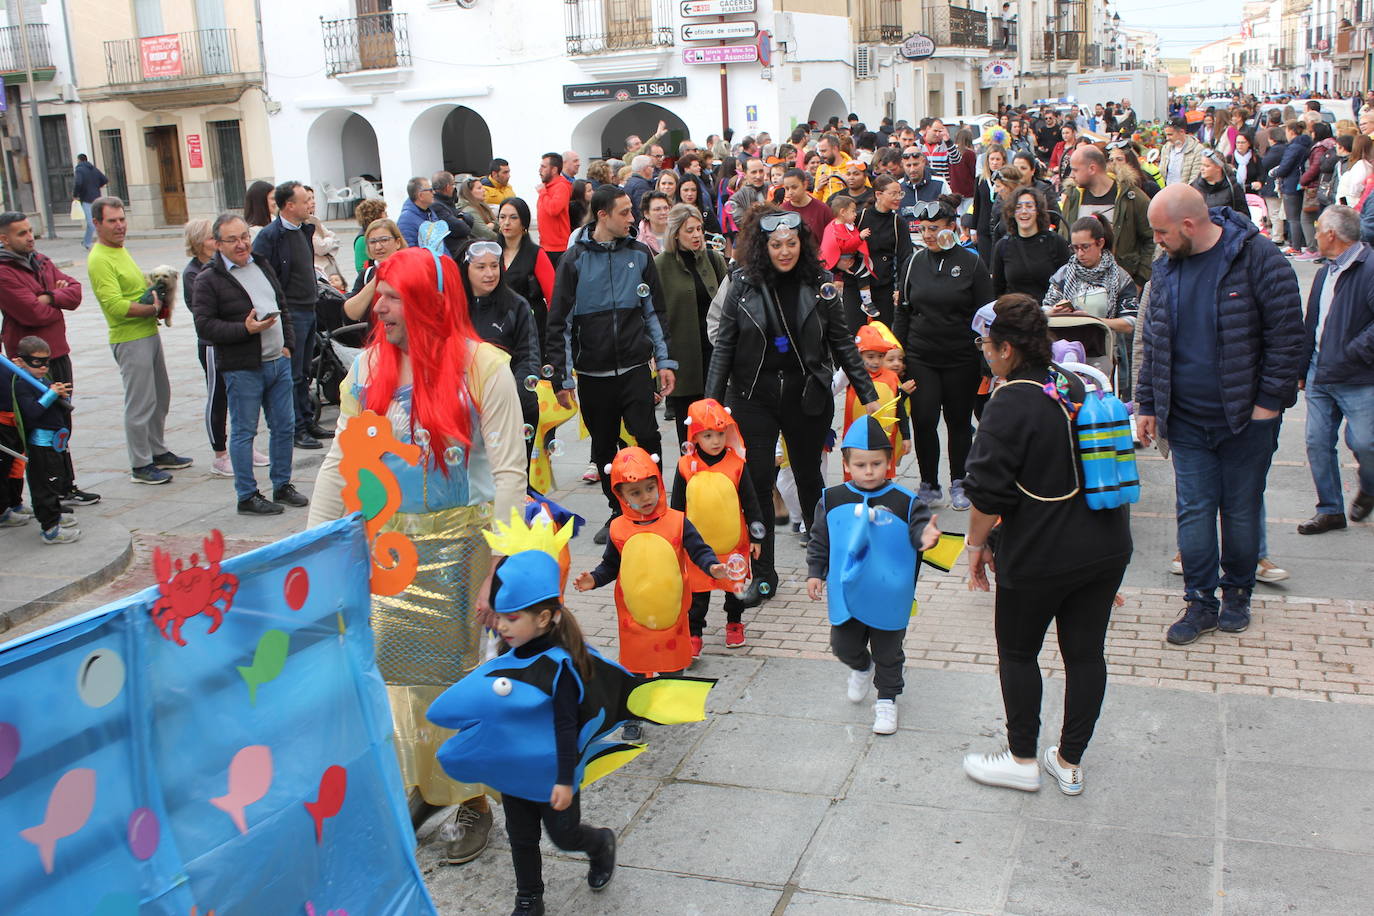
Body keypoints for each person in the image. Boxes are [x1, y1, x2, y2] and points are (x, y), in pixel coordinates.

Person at [308, 246, 526, 866]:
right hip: (394, 551)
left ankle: (474, 801)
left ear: (429, 300)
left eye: (394, 295)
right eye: (379, 292)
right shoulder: (370, 367)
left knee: (463, 681)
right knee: (403, 681)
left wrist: (500, 569)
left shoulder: (484, 367)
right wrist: (311, 547)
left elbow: (510, 473)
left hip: (466, 550)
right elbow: (340, 460)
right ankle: (427, 787)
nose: (379, 305)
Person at [960, 296, 1132, 795]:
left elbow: (987, 494)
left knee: (1017, 652)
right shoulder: (1074, 379)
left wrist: (976, 546)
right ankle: (1069, 760)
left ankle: (1021, 759)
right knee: (1085, 655)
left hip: (1041, 552)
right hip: (1105, 545)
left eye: (987, 346)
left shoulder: (1009, 399)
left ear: (1008, 349)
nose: (985, 354)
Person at [1137, 186, 1305, 645]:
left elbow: (1288, 338)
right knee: (1193, 511)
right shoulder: (1167, 266)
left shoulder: (1260, 258)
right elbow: (1155, 342)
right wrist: (1148, 403)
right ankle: (1200, 601)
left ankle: (1237, 595)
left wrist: (1267, 406)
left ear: (1189, 226)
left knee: (1240, 511)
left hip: (1246, 421)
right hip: (1187, 421)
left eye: (1162, 232)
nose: (1158, 241)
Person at [433, 539, 619, 916]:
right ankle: (529, 898)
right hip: (514, 770)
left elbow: (567, 728)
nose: (501, 626)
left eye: (512, 618)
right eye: (500, 616)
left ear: (545, 618)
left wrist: (566, 780)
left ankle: (600, 843)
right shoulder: (507, 655)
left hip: (553, 772)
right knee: (521, 837)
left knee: (565, 836)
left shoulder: (561, 667)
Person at [704, 206, 878, 600]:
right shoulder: (742, 283)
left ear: (803, 243)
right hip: (752, 395)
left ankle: (826, 562)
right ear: (763, 247)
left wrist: (867, 395)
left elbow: (842, 343)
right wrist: (710, 405)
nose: (785, 251)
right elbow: (724, 348)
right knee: (759, 482)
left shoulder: (820, 282)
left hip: (806, 394)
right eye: (776, 245)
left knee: (810, 480)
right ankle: (764, 573)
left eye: (792, 243)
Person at [545, 185, 675, 543]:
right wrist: (562, 379)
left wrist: (664, 361)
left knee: (647, 438)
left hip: (635, 369)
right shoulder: (574, 260)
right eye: (624, 212)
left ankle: (654, 508)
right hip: (592, 374)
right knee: (603, 447)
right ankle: (618, 512)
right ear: (602, 215)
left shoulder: (641, 253)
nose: (632, 218)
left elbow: (655, 313)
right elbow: (560, 322)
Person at [806, 416, 939, 735]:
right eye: (861, 464)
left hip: (889, 593)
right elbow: (820, 538)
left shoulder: (905, 502)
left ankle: (887, 701)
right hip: (847, 593)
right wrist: (815, 572)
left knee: (889, 652)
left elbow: (918, 530)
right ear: (846, 463)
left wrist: (925, 538)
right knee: (842, 645)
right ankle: (862, 667)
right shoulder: (832, 499)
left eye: (876, 464)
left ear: (889, 462)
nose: (869, 471)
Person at [574, 445, 726, 680]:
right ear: (621, 496)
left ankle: (671, 702)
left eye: (650, 488)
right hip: (633, 617)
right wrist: (594, 579)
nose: (646, 496)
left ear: (659, 484)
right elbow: (611, 566)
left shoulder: (677, 521)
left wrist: (711, 566)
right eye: (635, 493)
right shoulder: (618, 528)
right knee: (636, 668)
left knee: (673, 669)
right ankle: (640, 704)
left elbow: (699, 550)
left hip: (671, 610)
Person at [191, 214, 307, 516]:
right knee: (244, 432)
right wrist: (245, 331)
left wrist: (288, 345)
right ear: (217, 244)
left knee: (284, 426)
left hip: (277, 361)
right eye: (233, 239)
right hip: (243, 367)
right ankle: (247, 495)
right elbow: (205, 328)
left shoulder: (261, 264)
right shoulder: (208, 279)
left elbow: (282, 306)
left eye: (245, 236)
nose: (242, 244)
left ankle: (282, 484)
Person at [895, 198, 992, 510]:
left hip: (961, 356)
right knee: (923, 419)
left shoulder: (972, 263)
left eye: (934, 229)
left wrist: (984, 359)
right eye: (923, 229)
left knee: (958, 421)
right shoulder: (914, 263)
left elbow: (985, 313)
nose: (927, 235)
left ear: (952, 227)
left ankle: (959, 479)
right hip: (922, 355)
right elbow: (903, 312)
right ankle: (928, 483)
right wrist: (898, 354)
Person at [87, 196, 191, 484]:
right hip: (129, 337)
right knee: (140, 403)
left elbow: (133, 290)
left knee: (160, 395)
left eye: (122, 219)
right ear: (96, 224)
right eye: (112, 221)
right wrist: (152, 307)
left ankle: (156, 450)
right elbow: (115, 305)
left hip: (147, 332)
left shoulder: (120, 250)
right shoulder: (99, 258)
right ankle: (140, 464)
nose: (120, 226)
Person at [0, 211, 99, 506]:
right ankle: (48, 494)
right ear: (4, 239)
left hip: (58, 352)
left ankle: (66, 485)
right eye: (21, 233)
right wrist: (53, 297)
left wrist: (48, 297)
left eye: (30, 231)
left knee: (61, 421)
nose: (30, 237)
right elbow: (31, 313)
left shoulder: (41, 260)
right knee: (38, 428)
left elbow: (76, 292)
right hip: (28, 362)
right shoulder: (4, 271)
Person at [1297, 205, 1374, 534]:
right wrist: (1302, 367)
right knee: (1317, 442)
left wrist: (1352, 352)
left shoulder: (1369, 267)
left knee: (1366, 443)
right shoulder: (1324, 271)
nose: (1314, 235)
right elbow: (1312, 322)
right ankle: (1329, 509)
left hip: (1356, 375)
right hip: (1318, 372)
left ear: (1332, 234)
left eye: (1317, 230)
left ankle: (1369, 489)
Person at [671, 399, 764, 653]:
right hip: (696, 545)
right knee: (697, 593)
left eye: (721, 434)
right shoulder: (685, 467)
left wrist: (757, 536)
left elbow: (751, 501)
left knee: (735, 589)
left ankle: (734, 623)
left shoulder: (736, 465)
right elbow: (677, 506)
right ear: (694, 435)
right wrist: (673, 537)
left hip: (734, 541)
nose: (716, 441)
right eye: (708, 435)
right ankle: (694, 632)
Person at [252, 181, 331, 450]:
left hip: (309, 307)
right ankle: (296, 428)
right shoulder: (270, 236)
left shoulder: (302, 231)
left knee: (305, 370)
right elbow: (264, 276)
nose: (309, 204)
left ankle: (308, 421)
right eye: (304, 200)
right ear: (289, 206)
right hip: (291, 311)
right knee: (293, 372)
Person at [184, 217, 259, 479]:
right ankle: (220, 454)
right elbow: (205, 313)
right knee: (218, 397)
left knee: (242, 397)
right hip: (213, 346)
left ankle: (245, 448)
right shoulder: (195, 273)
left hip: (240, 339)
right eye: (210, 238)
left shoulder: (229, 267)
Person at [458, 239, 541, 460]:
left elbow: (529, 356)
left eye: (494, 266)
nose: (489, 274)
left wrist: (512, 395)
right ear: (466, 268)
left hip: (510, 405)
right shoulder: (453, 305)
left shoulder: (517, 305)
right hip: (464, 408)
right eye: (481, 267)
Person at [1043, 215, 1141, 399]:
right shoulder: (1063, 275)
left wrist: (1092, 321)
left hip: (1104, 354)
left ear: (1100, 243)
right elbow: (1043, 310)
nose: (1080, 254)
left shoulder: (1119, 277)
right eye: (1075, 248)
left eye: (1085, 247)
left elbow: (1131, 322)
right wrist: (1053, 312)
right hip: (1062, 356)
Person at [657, 204, 728, 449]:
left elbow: (728, 302)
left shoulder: (714, 259)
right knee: (688, 432)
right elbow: (657, 315)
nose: (697, 235)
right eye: (690, 230)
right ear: (676, 232)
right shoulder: (660, 265)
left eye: (699, 228)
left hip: (714, 352)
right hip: (683, 357)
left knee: (717, 423)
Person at [7, 336, 79, 544]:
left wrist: (61, 395)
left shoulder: (42, 380)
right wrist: (49, 395)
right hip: (40, 445)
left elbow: (55, 406)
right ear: (21, 362)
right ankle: (50, 529)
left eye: (46, 361)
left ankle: (55, 516)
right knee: (44, 487)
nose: (42, 367)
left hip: (54, 442)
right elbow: (32, 413)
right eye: (36, 362)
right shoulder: (22, 385)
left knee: (54, 483)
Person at [1062, 146, 1154, 289]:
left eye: (1075, 170)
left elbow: (1152, 238)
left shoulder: (1130, 197)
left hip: (1122, 285)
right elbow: (1064, 238)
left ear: (1092, 169)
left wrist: (1140, 281)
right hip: (1080, 287)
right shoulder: (1073, 197)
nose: (1071, 175)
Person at [848, 175, 912, 330]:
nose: (898, 198)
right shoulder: (860, 217)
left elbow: (905, 258)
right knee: (855, 332)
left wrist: (900, 288)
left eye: (900, 193)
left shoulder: (899, 223)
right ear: (878, 194)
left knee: (884, 334)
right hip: (856, 283)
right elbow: (842, 243)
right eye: (893, 194)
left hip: (884, 285)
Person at [991, 186, 1072, 301]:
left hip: (1050, 313)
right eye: (1018, 207)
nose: (1024, 211)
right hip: (1015, 313)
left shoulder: (1056, 242)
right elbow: (997, 289)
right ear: (1012, 213)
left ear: (1038, 211)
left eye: (1029, 206)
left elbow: (1068, 284)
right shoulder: (1002, 246)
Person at [497, 198, 556, 352]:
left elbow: (553, 297)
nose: (506, 222)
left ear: (524, 223)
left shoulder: (536, 254)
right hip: (498, 326)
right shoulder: (492, 252)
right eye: (502, 217)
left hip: (530, 327)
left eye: (513, 217)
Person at [344, 218, 405, 322]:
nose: (378, 247)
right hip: (373, 336)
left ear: (398, 242)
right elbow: (351, 313)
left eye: (384, 240)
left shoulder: (411, 270)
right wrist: (378, 277)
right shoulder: (367, 274)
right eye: (372, 242)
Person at [1271, 120, 1313, 256]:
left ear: (1291, 131)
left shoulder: (1294, 147)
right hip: (1300, 183)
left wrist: (1276, 173)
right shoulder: (1306, 144)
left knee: (1293, 218)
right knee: (1299, 216)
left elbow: (1285, 166)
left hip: (1291, 183)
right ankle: (1301, 244)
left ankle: (1296, 246)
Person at [969, 144, 1007, 262]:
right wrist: (973, 229)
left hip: (1001, 228)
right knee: (985, 262)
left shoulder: (1007, 181)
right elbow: (977, 204)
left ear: (1003, 161)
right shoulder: (981, 180)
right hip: (983, 228)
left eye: (998, 159)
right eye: (992, 159)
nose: (994, 162)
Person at [536, 152, 573, 266]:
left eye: (544, 167)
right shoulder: (546, 188)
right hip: (546, 246)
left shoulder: (561, 186)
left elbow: (553, 209)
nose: (539, 170)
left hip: (558, 248)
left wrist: (543, 193)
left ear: (554, 170)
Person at [1192, 149, 1249, 213]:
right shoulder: (1195, 186)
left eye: (1206, 166)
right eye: (1201, 165)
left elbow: (1244, 216)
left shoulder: (1233, 188)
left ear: (1218, 167)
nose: (1202, 168)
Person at [72, 154, 107, 250]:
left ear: (79, 160)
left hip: (86, 199)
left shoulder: (79, 170)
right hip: (97, 198)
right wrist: (96, 187)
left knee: (91, 223)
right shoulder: (94, 169)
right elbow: (105, 179)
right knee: (94, 221)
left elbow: (78, 182)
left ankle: (89, 243)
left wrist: (75, 195)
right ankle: (87, 242)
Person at [397, 176, 440, 249]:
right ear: (420, 195)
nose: (434, 192)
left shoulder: (430, 212)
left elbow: (440, 244)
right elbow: (409, 252)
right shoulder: (406, 220)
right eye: (430, 190)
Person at [1163, 117, 1206, 186]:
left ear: (1182, 132)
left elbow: (1195, 178)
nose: (1167, 138)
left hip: (1186, 193)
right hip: (1166, 191)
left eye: (1170, 134)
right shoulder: (1166, 148)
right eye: (1166, 135)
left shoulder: (1197, 149)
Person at [812, 133, 853, 203]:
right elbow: (816, 202)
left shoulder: (853, 166)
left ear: (835, 148)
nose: (821, 155)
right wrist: (817, 189)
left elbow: (866, 193)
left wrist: (850, 184)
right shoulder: (821, 169)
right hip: (827, 211)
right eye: (820, 151)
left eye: (824, 151)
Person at [351, 197, 388, 271]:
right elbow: (361, 268)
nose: (387, 216)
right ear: (376, 215)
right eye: (384, 213)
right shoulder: (362, 240)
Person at [636, 190, 672, 255]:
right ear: (646, 214)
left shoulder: (678, 233)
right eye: (657, 209)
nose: (663, 212)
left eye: (666, 208)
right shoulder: (640, 241)